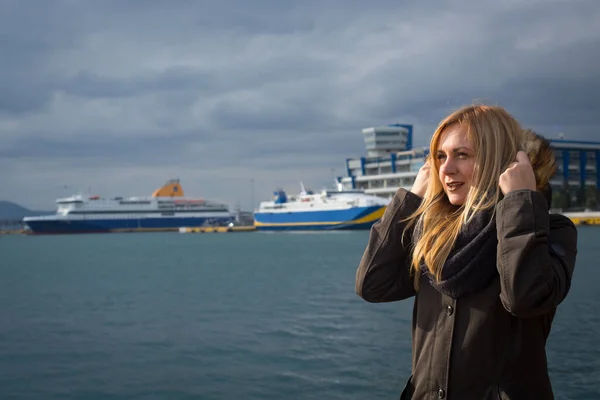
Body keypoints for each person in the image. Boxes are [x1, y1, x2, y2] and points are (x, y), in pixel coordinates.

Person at [355, 105, 578, 400]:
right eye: (440, 157)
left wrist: (519, 201)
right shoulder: (432, 234)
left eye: (462, 155)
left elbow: (525, 298)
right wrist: (409, 200)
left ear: (500, 161)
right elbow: (372, 285)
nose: (446, 169)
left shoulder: (551, 229)